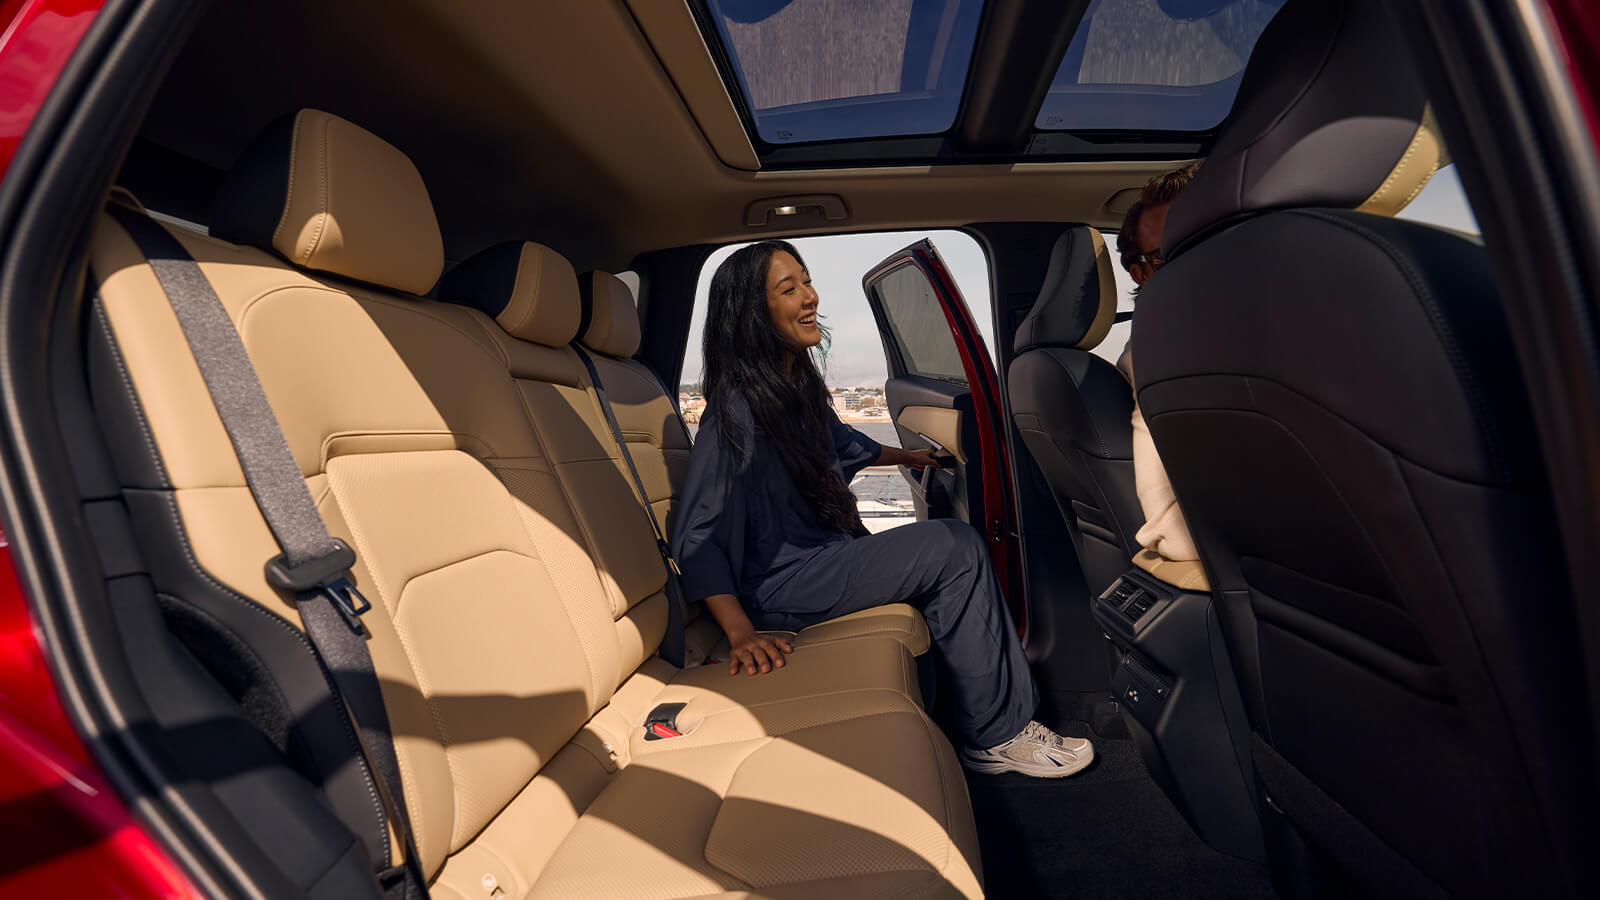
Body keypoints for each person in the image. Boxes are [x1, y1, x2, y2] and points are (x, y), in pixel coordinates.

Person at [673, 240, 1094, 778]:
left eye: (806, 280)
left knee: (943, 548)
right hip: (781, 585)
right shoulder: (736, 406)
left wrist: (911, 454)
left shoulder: (792, 385)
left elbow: (842, 443)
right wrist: (739, 631)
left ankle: (977, 711)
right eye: (788, 288)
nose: (810, 296)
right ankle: (997, 735)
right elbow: (700, 531)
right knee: (955, 546)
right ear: (754, 314)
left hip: (819, 560)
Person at [1113, 163, 1209, 589]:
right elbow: (1173, 529)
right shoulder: (1159, 350)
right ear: (1140, 274)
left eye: (1206, 243)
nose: (1197, 265)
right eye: (1171, 254)